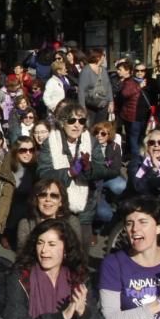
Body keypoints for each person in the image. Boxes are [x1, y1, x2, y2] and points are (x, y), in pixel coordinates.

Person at [4, 218, 107, 319]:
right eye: (40, 243)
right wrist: (62, 317)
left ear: (66, 249)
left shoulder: (78, 278)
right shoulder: (21, 277)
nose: (43, 250)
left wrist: (83, 313)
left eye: (52, 244)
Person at [38, 103, 118, 250]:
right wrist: (69, 172)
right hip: (58, 202)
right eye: (71, 121)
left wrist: (88, 169)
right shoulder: (50, 142)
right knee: (58, 246)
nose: (77, 125)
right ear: (62, 123)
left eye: (81, 121)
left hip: (86, 201)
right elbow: (43, 174)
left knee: (82, 247)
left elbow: (102, 169)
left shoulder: (91, 141)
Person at [0, 139, 39, 247]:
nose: (28, 153)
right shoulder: (2, 167)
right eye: (23, 150)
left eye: (31, 150)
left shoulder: (35, 168)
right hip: (8, 205)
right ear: (15, 151)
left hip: (27, 203)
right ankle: (5, 233)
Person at [15, 178, 71, 251]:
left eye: (54, 196)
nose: (48, 199)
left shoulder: (71, 223)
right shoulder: (26, 224)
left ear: (61, 201)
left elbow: (75, 255)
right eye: (43, 195)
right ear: (36, 200)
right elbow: (22, 256)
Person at [129, 128, 160, 198]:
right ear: (147, 145)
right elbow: (138, 188)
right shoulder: (137, 161)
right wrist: (154, 169)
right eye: (152, 142)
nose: (156, 145)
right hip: (142, 200)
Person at [78, 50, 114, 124]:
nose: (104, 58)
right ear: (98, 57)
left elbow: (108, 85)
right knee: (91, 128)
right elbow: (81, 90)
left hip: (103, 105)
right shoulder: (86, 70)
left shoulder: (103, 69)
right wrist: (82, 108)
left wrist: (111, 101)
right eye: (103, 56)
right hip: (91, 105)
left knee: (101, 126)